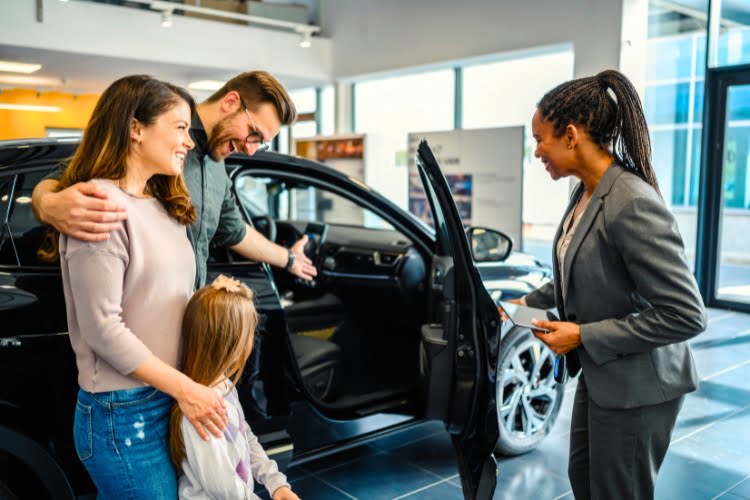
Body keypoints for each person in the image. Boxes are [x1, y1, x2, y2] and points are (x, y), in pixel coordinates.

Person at [515, 69, 707, 499]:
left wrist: (583, 334)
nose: (537, 151)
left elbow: (686, 315)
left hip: (640, 387)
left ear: (569, 135)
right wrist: (525, 301)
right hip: (603, 373)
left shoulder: (632, 203)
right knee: (585, 481)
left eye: (539, 138)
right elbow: (580, 269)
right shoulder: (585, 192)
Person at [47, 75, 229, 498]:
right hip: (123, 412)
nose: (189, 141)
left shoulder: (161, 203)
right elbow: (102, 329)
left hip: (165, 396)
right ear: (135, 128)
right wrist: (187, 390)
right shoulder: (100, 205)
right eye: (180, 127)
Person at [32, 71, 317, 289]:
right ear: (231, 102)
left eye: (261, 143)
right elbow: (71, 173)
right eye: (253, 133)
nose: (251, 148)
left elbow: (234, 231)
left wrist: (288, 259)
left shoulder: (218, 168)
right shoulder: (159, 140)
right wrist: (49, 204)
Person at [170, 275, 299, 500]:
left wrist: (275, 483)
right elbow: (223, 487)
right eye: (250, 334)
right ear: (231, 344)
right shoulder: (201, 410)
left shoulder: (223, 384)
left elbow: (244, 434)